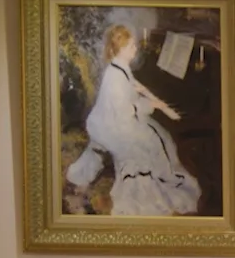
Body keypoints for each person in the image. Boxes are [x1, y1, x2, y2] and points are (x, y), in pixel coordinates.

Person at [64, 24, 201, 216]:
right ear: (119, 49)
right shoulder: (115, 77)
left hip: (112, 120)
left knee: (158, 135)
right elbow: (126, 110)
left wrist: (143, 91)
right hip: (114, 125)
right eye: (131, 46)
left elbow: (130, 85)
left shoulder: (119, 67)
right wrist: (151, 104)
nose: (136, 49)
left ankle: (165, 172)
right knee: (152, 140)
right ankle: (148, 191)